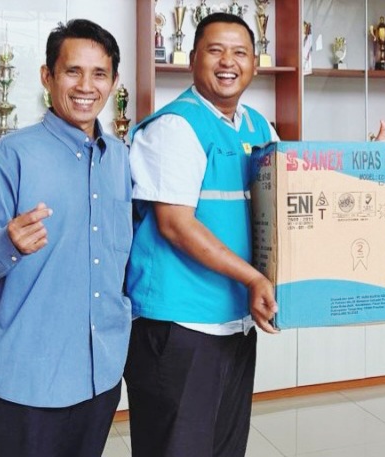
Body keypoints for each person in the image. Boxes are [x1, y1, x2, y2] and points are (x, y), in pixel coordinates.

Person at [0, 19, 130, 457]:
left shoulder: (120, 159)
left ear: (113, 82)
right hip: (23, 383)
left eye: (99, 73)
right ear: (47, 77)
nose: (86, 86)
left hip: (99, 374)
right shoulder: (12, 155)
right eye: (72, 71)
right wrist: (7, 244)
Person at [123, 12, 279, 457]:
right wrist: (253, 278)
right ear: (192, 59)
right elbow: (175, 224)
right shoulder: (175, 127)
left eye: (240, 52)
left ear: (254, 64)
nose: (228, 62)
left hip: (235, 320)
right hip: (180, 324)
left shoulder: (258, 127)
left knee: (224, 448)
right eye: (215, 51)